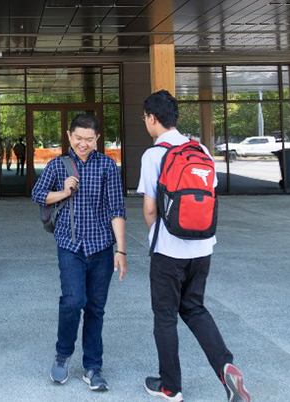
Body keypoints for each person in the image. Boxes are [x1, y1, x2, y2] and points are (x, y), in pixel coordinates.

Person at [138, 90, 250, 402]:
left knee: (165, 316)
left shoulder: (153, 156)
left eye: (146, 118)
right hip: (202, 248)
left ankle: (170, 387)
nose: (146, 123)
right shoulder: (199, 148)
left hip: (169, 252)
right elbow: (209, 198)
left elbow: (149, 210)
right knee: (195, 308)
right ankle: (225, 365)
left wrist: (162, 236)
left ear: (152, 118)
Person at [31, 114, 127, 392]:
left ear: (97, 139)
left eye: (89, 139)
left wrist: (121, 250)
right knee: (72, 302)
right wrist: (62, 192)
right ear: (69, 136)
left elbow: (116, 209)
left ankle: (93, 366)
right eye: (78, 138)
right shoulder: (57, 166)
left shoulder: (108, 165)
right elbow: (38, 194)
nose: (83, 144)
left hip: (101, 247)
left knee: (96, 307)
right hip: (70, 246)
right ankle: (62, 354)